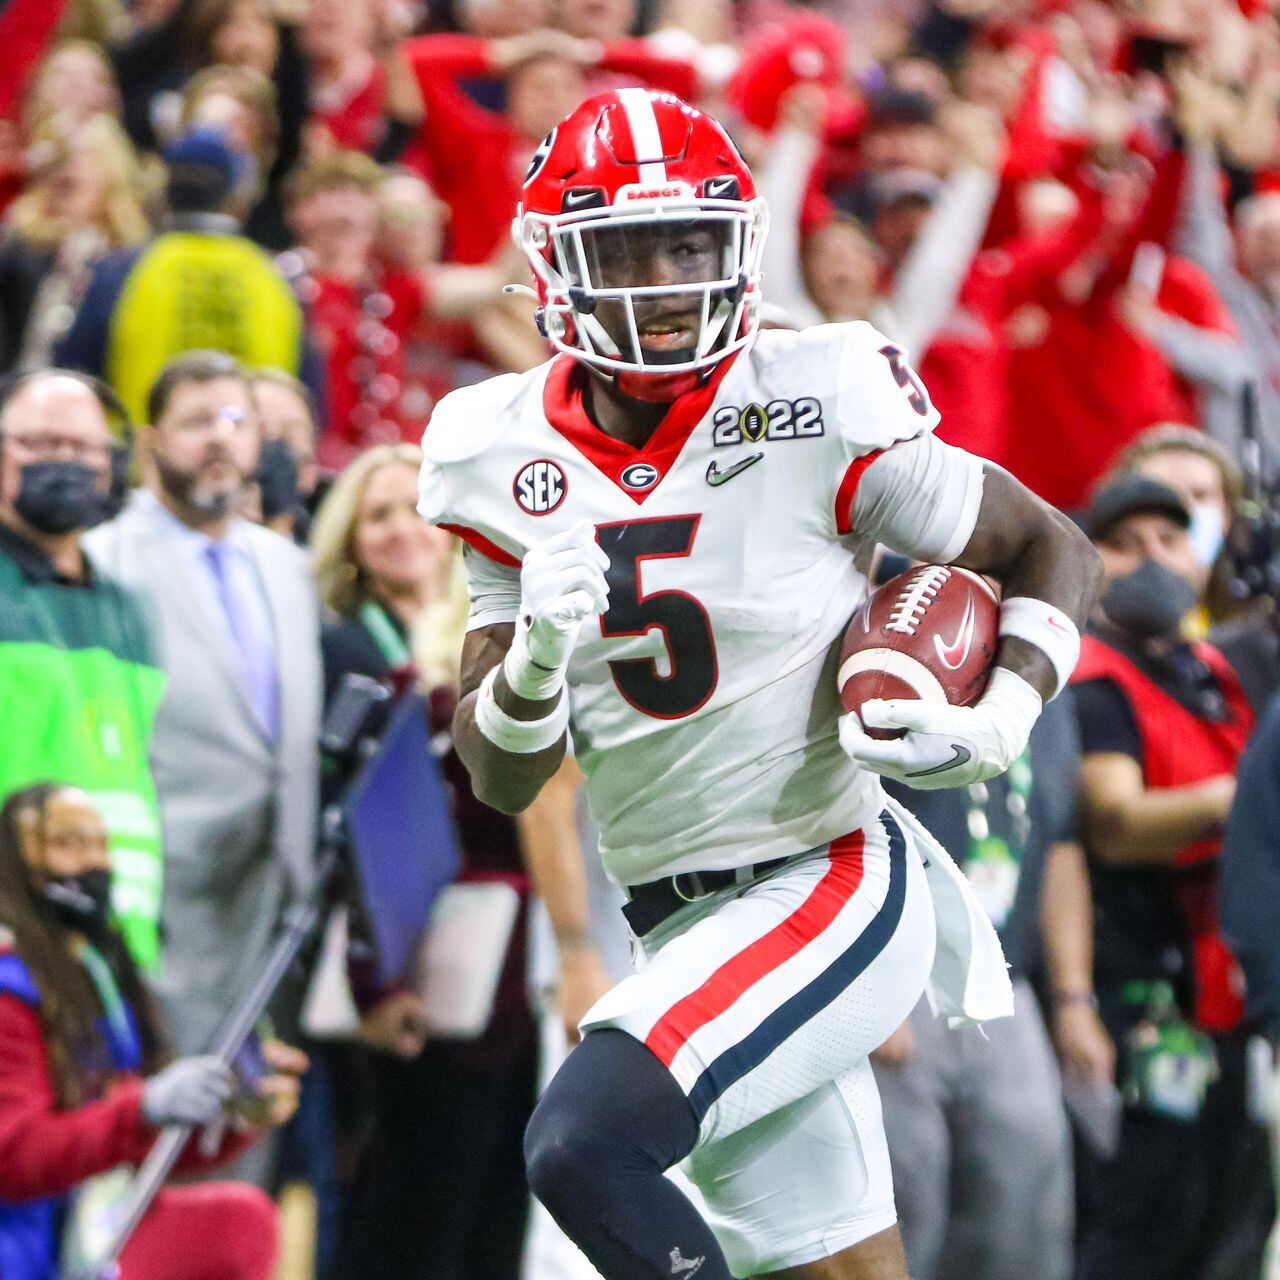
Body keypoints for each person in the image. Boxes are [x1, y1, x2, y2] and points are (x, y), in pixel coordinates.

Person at [420, 89, 1101, 1280]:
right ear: (554, 267)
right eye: (628, 247)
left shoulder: (812, 390)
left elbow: (1052, 546)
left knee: (585, 1146)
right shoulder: (489, 443)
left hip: (825, 873)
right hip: (671, 913)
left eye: (690, 241)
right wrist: (531, 660)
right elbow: (504, 769)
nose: (669, 276)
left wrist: (1000, 710)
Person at [311, 444, 540, 1280]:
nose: (401, 529)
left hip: (509, 975)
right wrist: (378, 983)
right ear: (349, 541)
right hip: (399, 974)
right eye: (377, 515)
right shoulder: (339, 652)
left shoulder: (501, 639)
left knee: (491, 1217)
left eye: (417, 508)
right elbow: (347, 834)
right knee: (405, 1219)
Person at [85, 351, 322, 1064]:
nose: (219, 439)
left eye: (235, 420)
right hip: (163, 906)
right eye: (196, 422)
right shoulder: (103, 563)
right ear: (152, 441)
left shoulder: (289, 565)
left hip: (279, 895)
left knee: (252, 1144)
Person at [1069, 473, 1271, 1280]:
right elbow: (1116, 824)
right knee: (1143, 1231)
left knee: (1232, 1226)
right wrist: (1243, 799)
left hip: (1228, 994)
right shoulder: (1089, 676)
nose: (1152, 558)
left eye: (1168, 538)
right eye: (1123, 544)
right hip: (1140, 999)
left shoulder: (1217, 671)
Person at [0, 782, 306, 1280]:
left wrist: (233, 1110)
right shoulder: (10, 991)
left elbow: (133, 1149)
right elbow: (14, 1160)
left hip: (91, 1220)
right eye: (69, 843)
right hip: (33, 1244)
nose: (95, 863)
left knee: (241, 1221)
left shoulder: (95, 973)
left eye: (101, 845)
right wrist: (143, 1108)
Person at [872, 693, 1079, 1280]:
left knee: (1025, 1198)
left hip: (1006, 982)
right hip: (898, 976)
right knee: (900, 1204)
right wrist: (863, 992)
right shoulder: (892, 651)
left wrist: (1073, 995)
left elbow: (1061, 841)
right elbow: (827, 817)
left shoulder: (1046, 685)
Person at [0, 369, 166, 971]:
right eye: (41, 444)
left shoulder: (132, 612)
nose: (64, 461)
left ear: (111, 466)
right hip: (13, 944)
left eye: (82, 448)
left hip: (120, 944)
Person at [54, 126, 306, 424]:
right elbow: (305, 393)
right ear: (235, 191)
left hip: (144, 460)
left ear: (166, 187)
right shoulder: (274, 277)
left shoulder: (120, 270)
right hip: (247, 461)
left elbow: (74, 379)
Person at [0, 113, 150, 372]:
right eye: (60, 160)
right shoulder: (17, 252)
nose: (67, 169)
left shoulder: (135, 260)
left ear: (112, 172)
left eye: (80, 157)